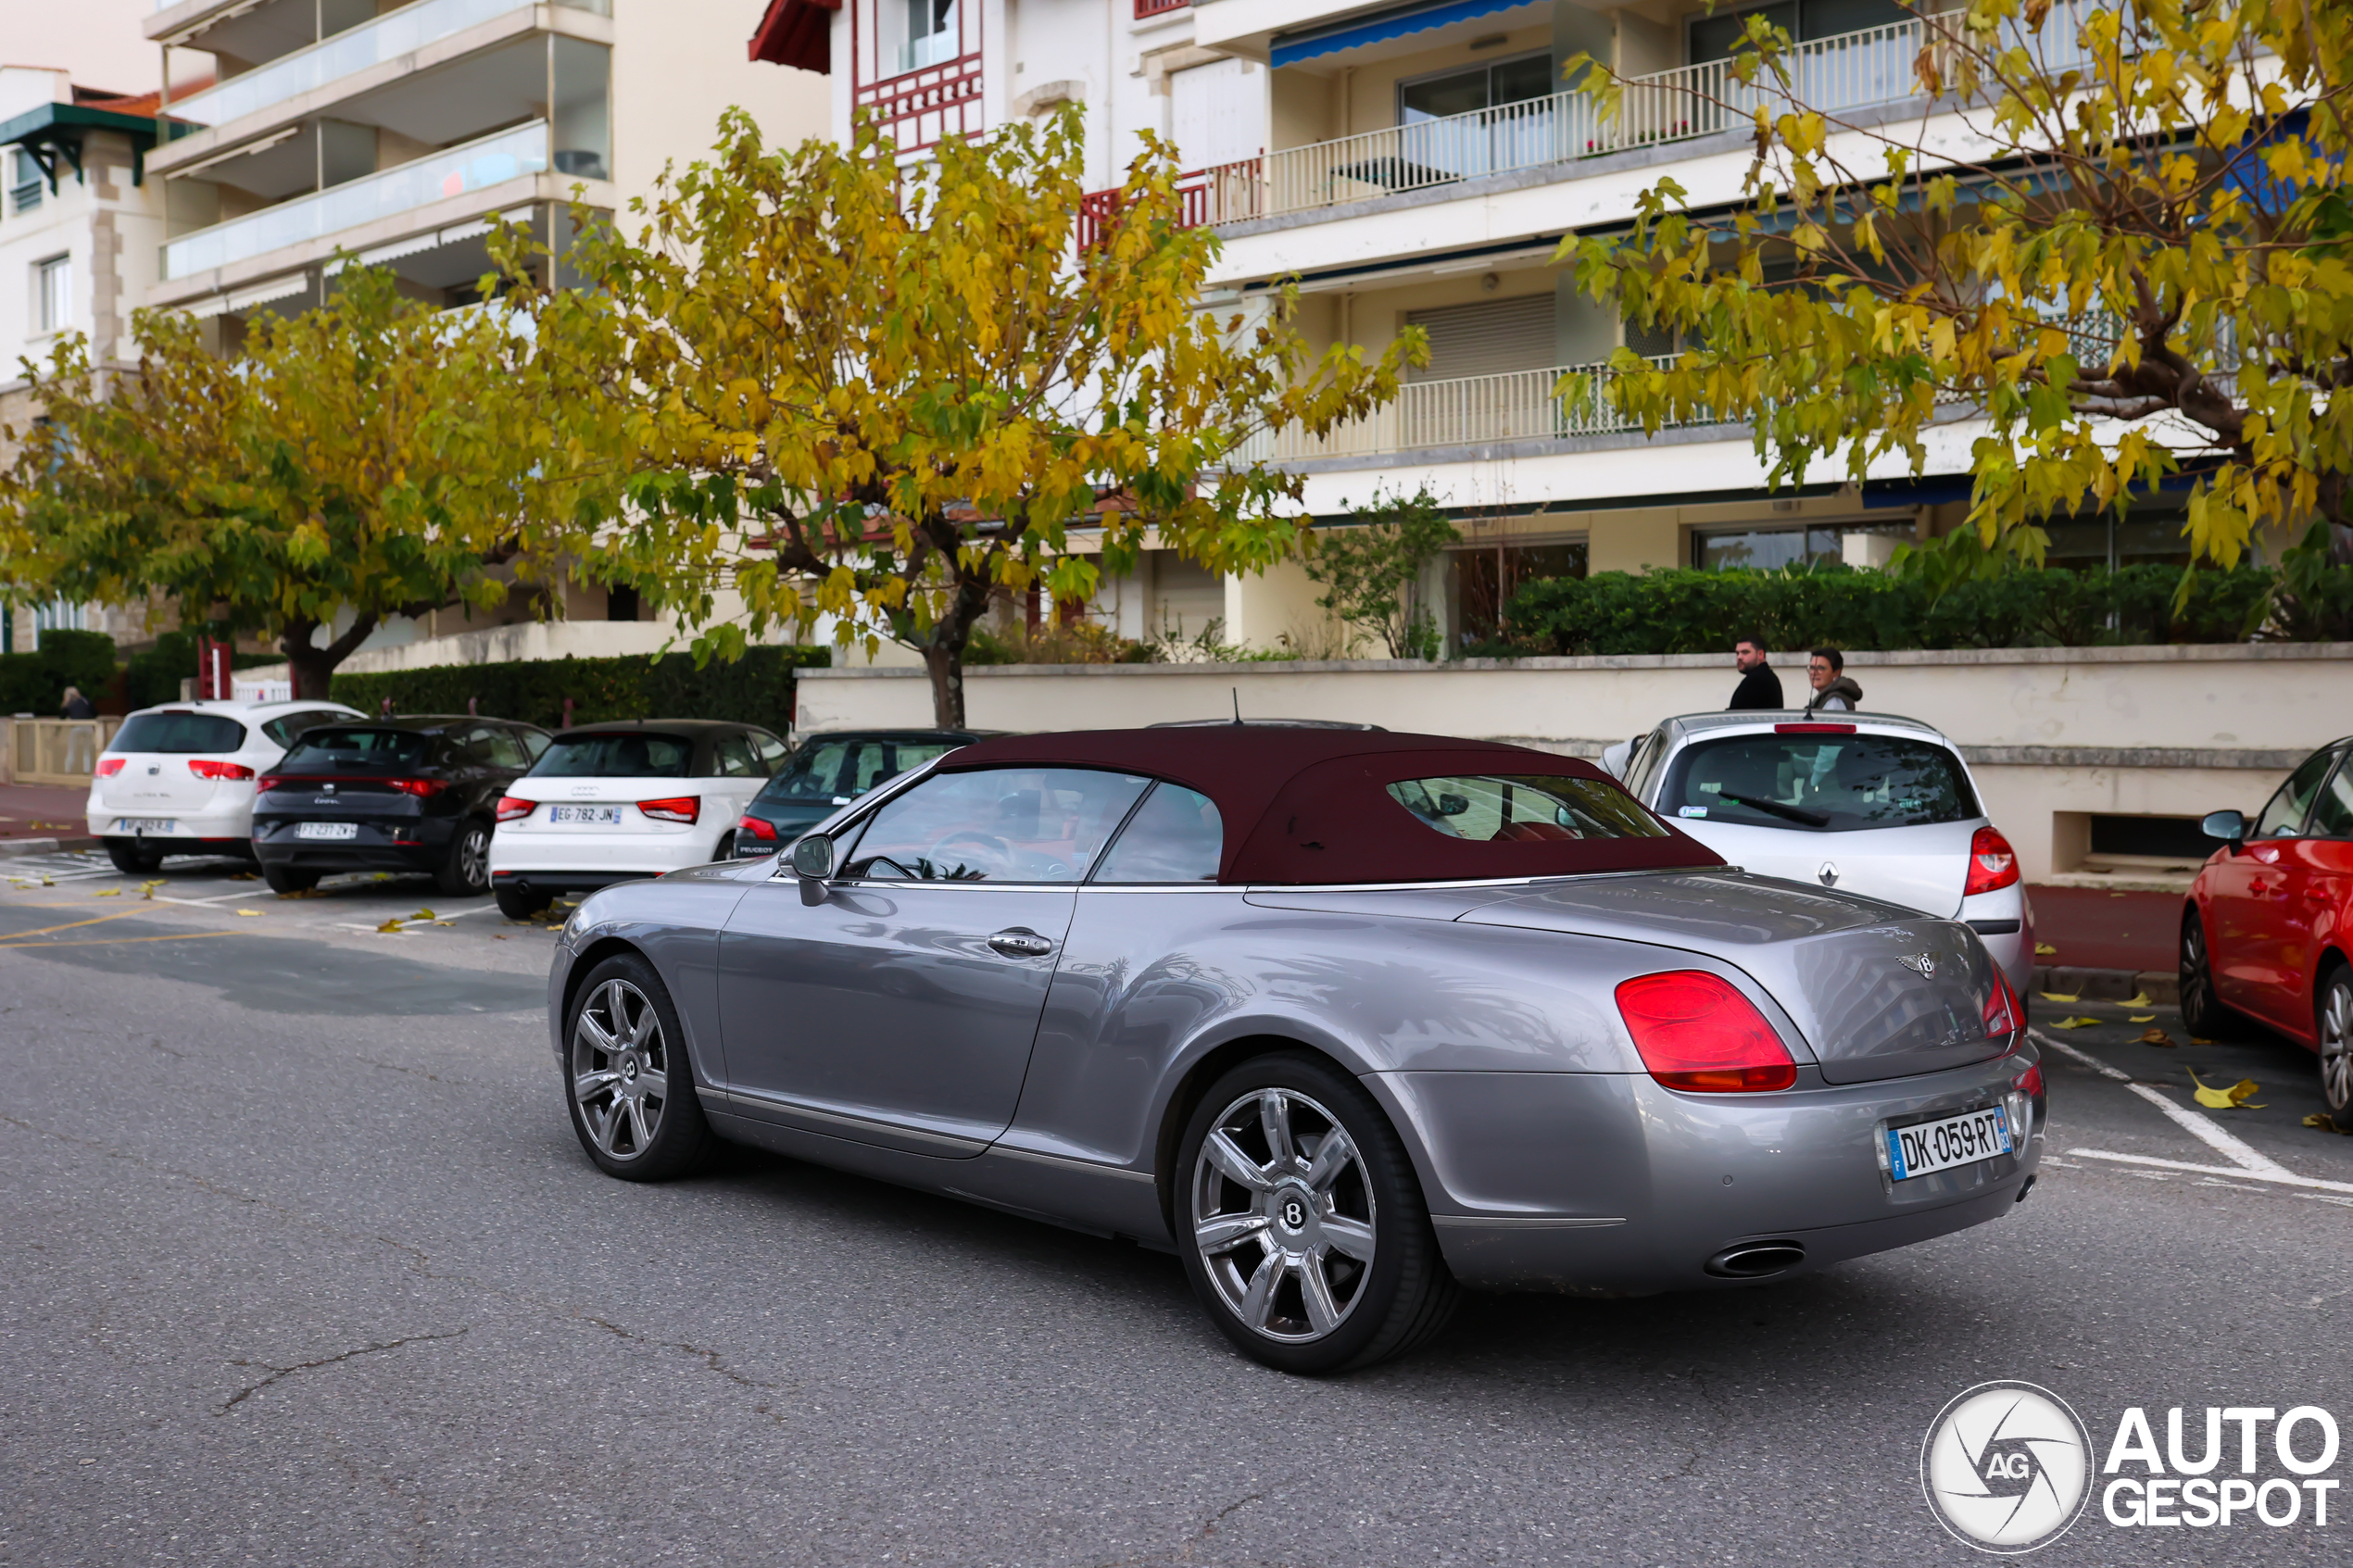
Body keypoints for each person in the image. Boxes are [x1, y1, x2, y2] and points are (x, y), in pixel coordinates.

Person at [1727, 635, 1783, 710]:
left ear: (1760, 654)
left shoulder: (1756, 679)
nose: (1739, 657)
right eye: (1737, 653)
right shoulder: (1768, 677)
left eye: (1745, 652)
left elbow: (1735, 716)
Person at [1806, 647, 1865, 711]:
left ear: (1837, 672)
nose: (1813, 673)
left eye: (1821, 668)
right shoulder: (1826, 697)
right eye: (1812, 668)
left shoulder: (1835, 701)